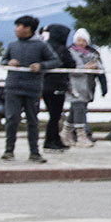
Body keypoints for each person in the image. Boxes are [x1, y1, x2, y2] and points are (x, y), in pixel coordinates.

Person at [0, 14, 53, 161]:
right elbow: (2, 60)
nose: (17, 29)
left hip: (32, 88)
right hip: (12, 88)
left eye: (19, 26)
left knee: (32, 121)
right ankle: (9, 150)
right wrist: (8, 62)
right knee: (12, 119)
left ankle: (34, 152)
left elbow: (55, 60)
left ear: (28, 29)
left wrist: (41, 66)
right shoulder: (12, 45)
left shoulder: (41, 45)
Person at [65, 28, 106, 147]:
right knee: (78, 107)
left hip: (88, 85)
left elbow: (100, 68)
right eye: (79, 40)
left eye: (83, 40)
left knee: (76, 109)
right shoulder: (70, 52)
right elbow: (71, 69)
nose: (81, 43)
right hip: (75, 86)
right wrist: (85, 67)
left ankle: (65, 133)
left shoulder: (93, 53)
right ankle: (81, 135)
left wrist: (96, 67)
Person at [39, 24, 77, 152]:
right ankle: (49, 141)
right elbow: (71, 63)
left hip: (44, 85)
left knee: (54, 114)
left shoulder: (44, 46)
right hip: (57, 85)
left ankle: (56, 139)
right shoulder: (61, 49)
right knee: (55, 115)